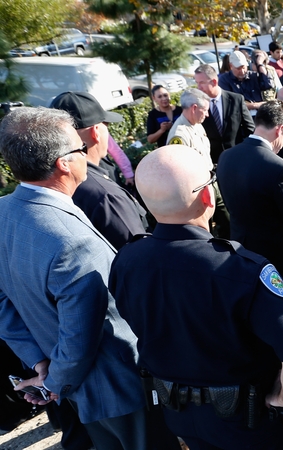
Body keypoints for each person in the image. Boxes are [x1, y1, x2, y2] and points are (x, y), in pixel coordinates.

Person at [109, 145, 283, 450]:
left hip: (178, 414)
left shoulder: (125, 262)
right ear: (207, 197)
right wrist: (282, 401)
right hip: (247, 422)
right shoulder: (243, 269)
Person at [0, 107, 179, 450]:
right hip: (119, 391)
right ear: (63, 164)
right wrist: (54, 380)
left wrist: (39, 361)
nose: (87, 154)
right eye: (79, 149)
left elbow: (3, 303)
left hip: (78, 391)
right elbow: (80, 335)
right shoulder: (71, 241)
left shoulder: (4, 212)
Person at [217, 100, 283, 291]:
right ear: (280, 129)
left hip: (239, 250)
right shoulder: (280, 168)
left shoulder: (226, 157)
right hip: (276, 261)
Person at [50, 91, 149, 250]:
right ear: (96, 132)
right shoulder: (106, 196)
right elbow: (138, 254)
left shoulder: (52, 179)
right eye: (106, 125)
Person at [194, 64, 255, 164]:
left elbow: (250, 129)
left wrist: (245, 150)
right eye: (197, 83)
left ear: (214, 82)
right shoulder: (197, 105)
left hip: (238, 157)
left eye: (201, 83)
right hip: (212, 161)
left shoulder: (236, 99)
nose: (198, 87)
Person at [165, 88, 213, 169]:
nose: (207, 114)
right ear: (194, 108)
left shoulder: (197, 124)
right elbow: (179, 169)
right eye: (205, 110)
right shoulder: (179, 135)